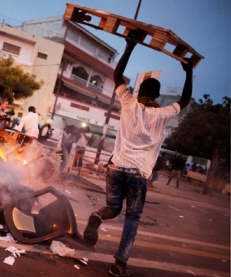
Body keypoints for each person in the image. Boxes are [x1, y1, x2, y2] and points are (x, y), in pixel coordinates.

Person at [82, 29, 193, 277]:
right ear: (157, 94)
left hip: (116, 166)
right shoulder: (162, 114)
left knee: (113, 207)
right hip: (138, 173)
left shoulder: (128, 103)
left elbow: (117, 75)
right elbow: (185, 99)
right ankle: (119, 265)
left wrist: (130, 46)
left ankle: (99, 216)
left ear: (141, 89)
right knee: (132, 218)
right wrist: (189, 72)